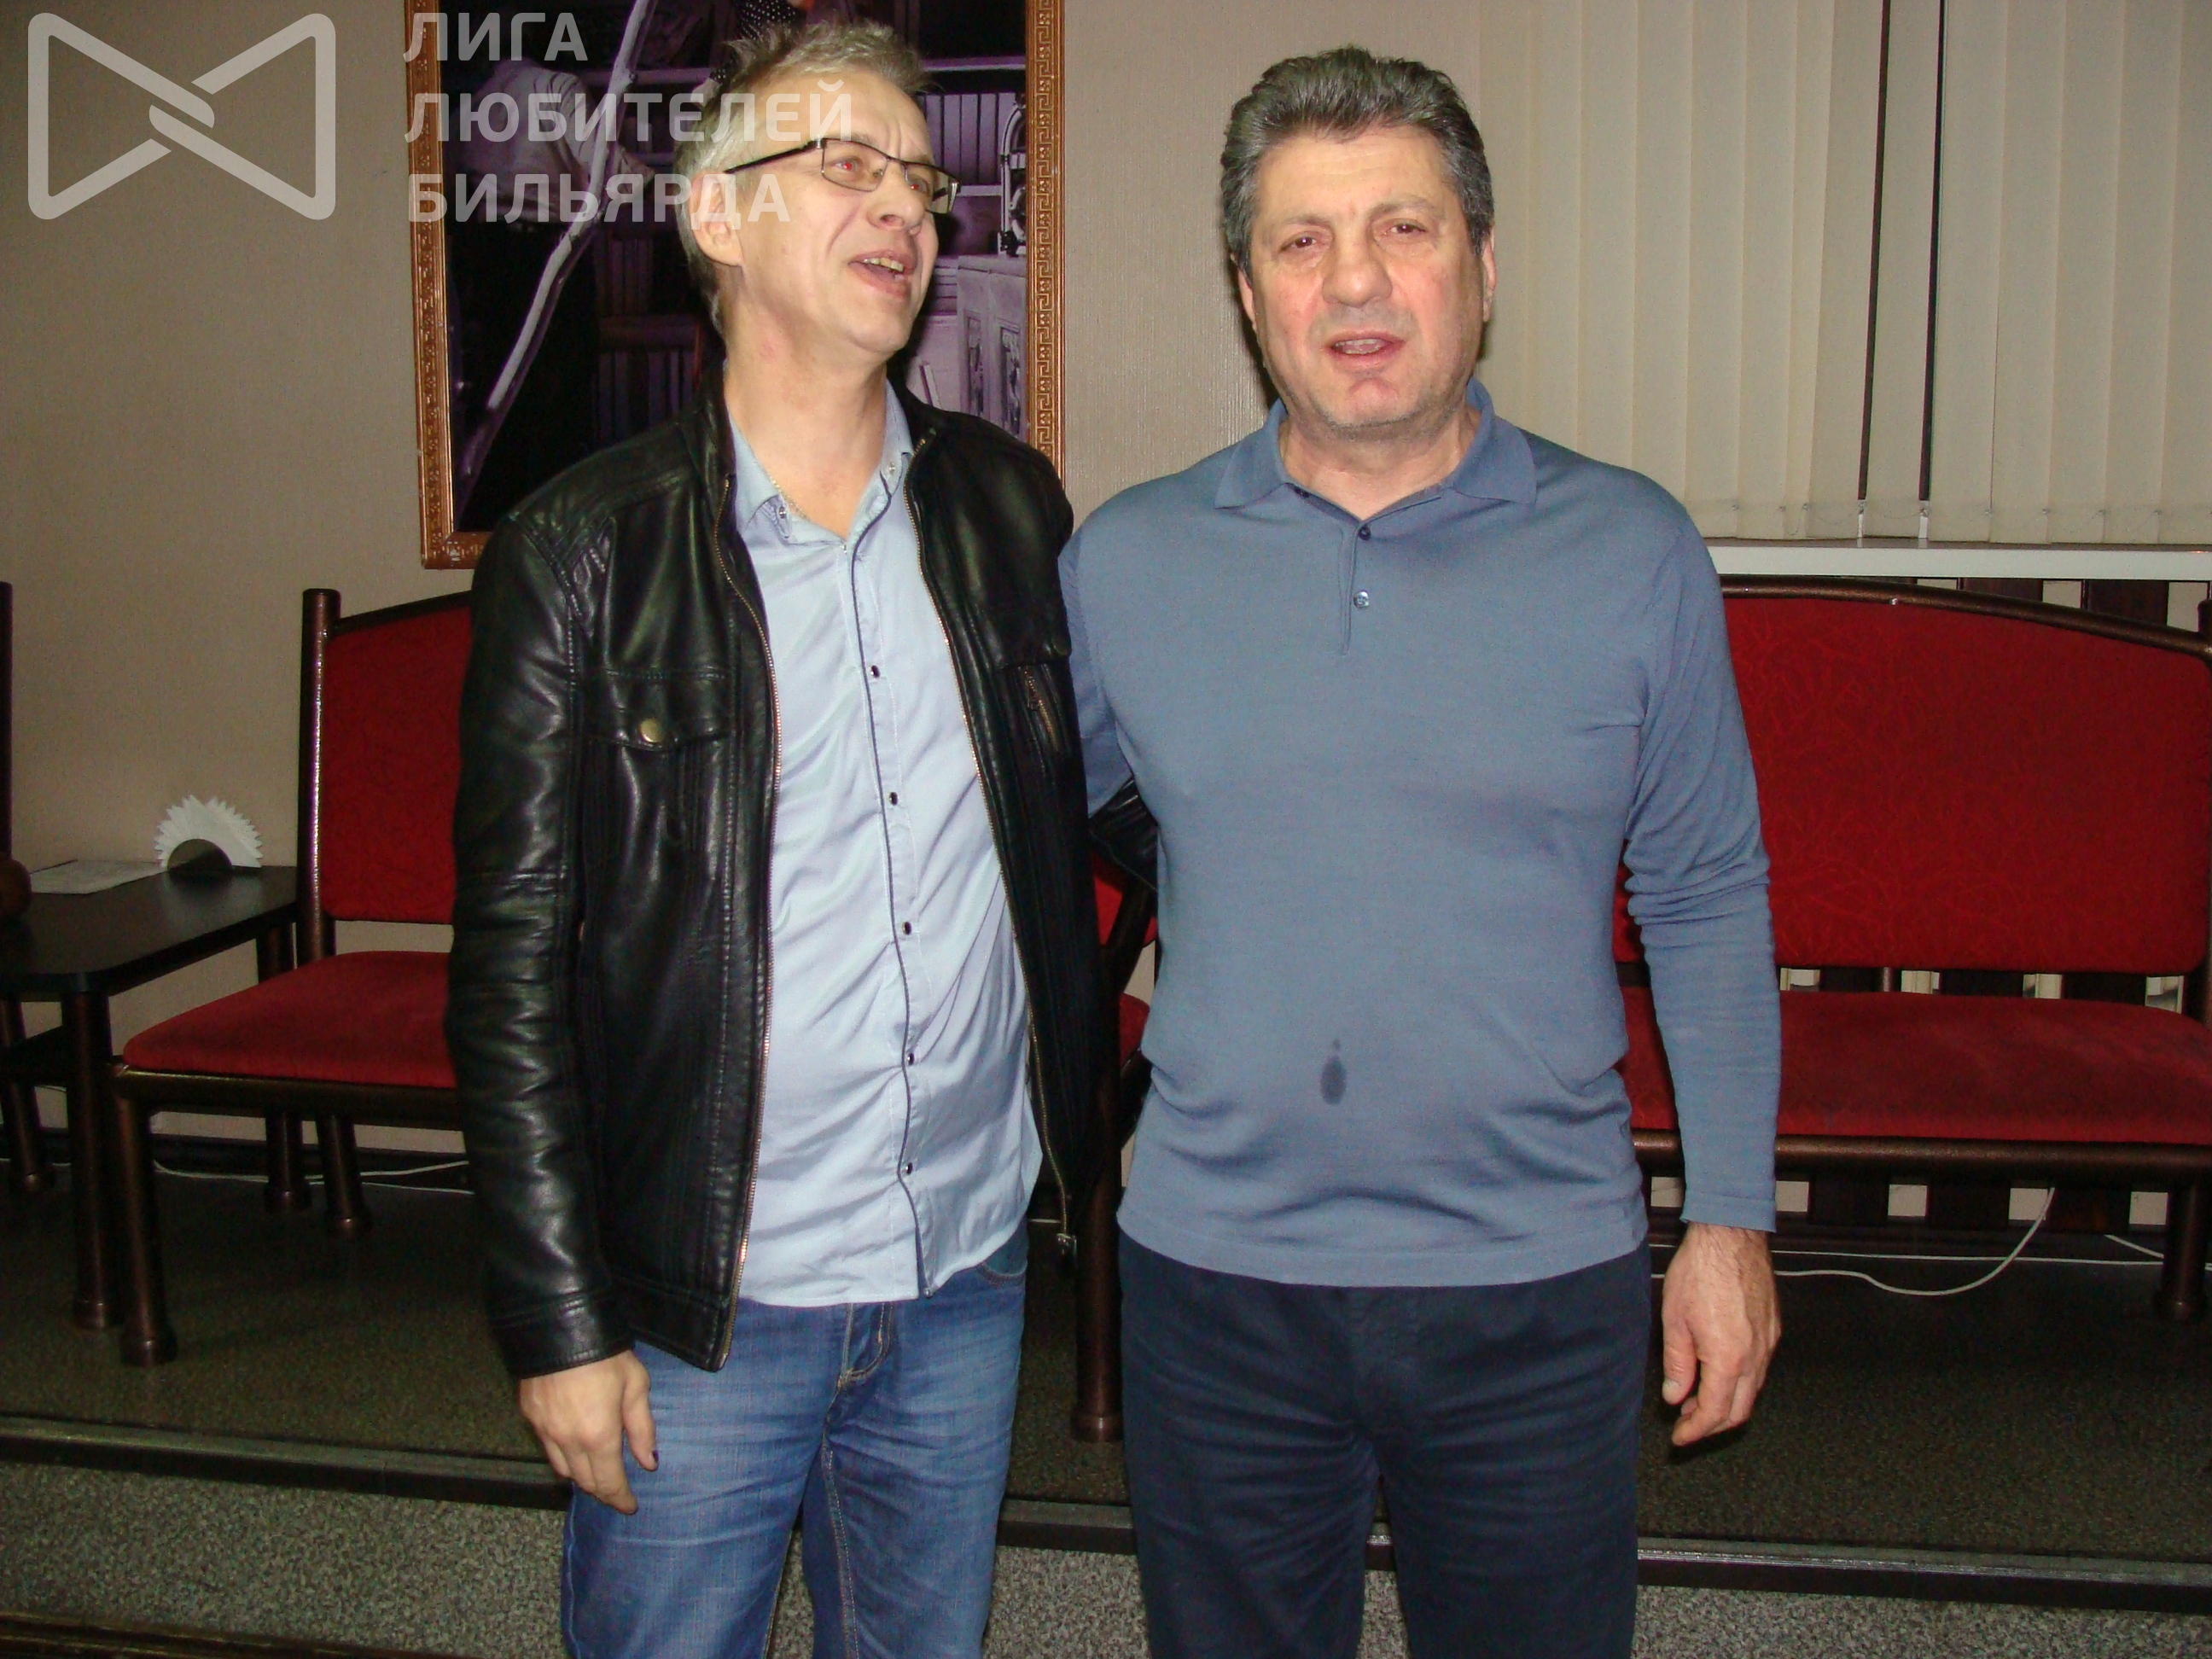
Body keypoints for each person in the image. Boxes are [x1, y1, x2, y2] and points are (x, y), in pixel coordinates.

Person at [1064, 46, 1783, 1659]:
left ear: (1483, 265)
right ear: (1248, 292)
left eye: (1405, 227)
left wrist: (1731, 1222)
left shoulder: (1634, 551)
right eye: (1302, 240)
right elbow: (1052, 822)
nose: (1356, 282)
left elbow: (1704, 892)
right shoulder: (1127, 563)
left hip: (1538, 1288)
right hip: (1215, 1286)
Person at [447, 20, 1097, 1656]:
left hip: (961, 1270)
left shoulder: (1010, 510)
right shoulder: (581, 553)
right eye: (847, 164)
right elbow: (511, 973)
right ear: (717, 216)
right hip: (703, 1302)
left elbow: (1107, 798)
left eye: (922, 181)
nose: (906, 209)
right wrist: (559, 1318)